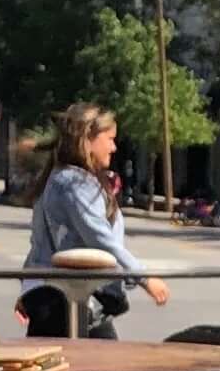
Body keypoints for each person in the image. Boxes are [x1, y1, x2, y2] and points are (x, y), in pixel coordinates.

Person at [16, 100, 173, 341]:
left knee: (64, 367)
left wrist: (29, 286)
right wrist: (144, 277)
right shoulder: (74, 183)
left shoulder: (62, 178)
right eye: (109, 139)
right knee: (102, 367)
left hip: (57, 296)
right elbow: (101, 240)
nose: (114, 148)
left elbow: (40, 244)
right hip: (69, 298)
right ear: (88, 139)